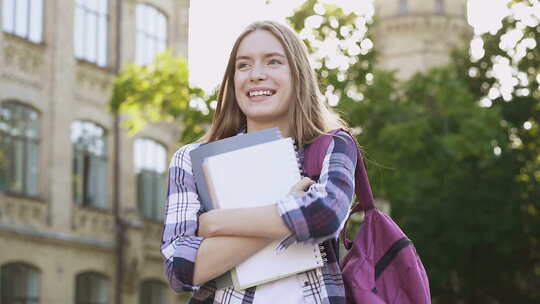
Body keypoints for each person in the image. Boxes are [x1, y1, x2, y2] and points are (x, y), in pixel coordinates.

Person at [161, 20, 358, 303]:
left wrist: (218, 223)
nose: (256, 75)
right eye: (243, 65)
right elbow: (180, 269)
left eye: (273, 62)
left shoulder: (332, 145)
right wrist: (287, 212)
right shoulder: (192, 161)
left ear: (298, 74)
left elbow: (325, 215)